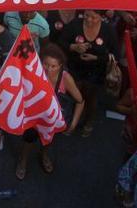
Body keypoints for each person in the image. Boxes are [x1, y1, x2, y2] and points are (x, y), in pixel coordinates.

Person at [14, 44, 83, 180]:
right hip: (34, 117)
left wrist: (74, 124)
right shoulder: (33, 72)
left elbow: (80, 101)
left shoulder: (65, 78)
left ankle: (44, 155)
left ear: (61, 66)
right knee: (28, 139)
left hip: (51, 118)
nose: (48, 69)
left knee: (49, 139)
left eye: (54, 66)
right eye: (46, 64)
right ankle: (23, 161)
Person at [59, 10, 120, 137]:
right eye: (87, 16)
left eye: (94, 17)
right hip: (75, 70)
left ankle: (89, 122)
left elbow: (116, 55)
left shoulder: (108, 30)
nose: (89, 20)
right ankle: (70, 120)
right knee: (74, 97)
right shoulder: (75, 24)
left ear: (101, 17)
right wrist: (73, 47)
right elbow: (61, 42)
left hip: (97, 73)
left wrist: (97, 58)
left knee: (92, 99)